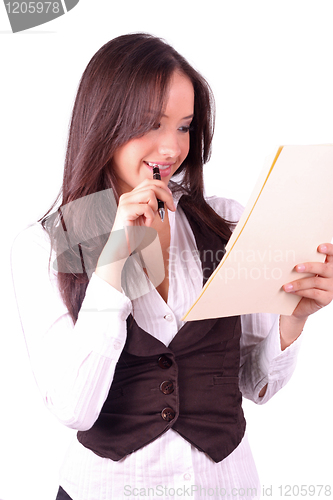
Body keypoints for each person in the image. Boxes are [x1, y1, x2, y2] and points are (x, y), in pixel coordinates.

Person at [11, 33, 333, 500]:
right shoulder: (47, 243)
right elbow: (74, 408)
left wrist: (293, 319)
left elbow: (252, 384)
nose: (171, 148)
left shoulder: (226, 221)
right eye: (152, 124)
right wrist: (116, 256)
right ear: (104, 123)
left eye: (183, 127)